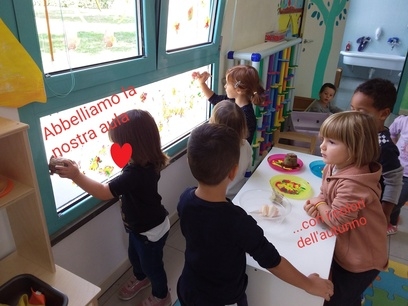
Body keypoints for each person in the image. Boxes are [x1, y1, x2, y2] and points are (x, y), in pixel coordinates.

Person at [177, 123, 334, 306]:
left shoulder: (184, 200)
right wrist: (308, 284)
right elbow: (272, 261)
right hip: (222, 299)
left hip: (188, 287)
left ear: (189, 162)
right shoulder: (238, 221)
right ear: (234, 171)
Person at [54, 109, 172, 306]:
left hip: (150, 232)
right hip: (141, 228)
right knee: (135, 257)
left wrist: (76, 175)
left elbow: (103, 192)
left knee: (153, 267)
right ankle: (141, 277)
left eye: (118, 144)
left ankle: (162, 295)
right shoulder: (148, 161)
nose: (115, 148)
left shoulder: (135, 174)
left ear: (133, 146)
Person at [303, 111, 388, 306]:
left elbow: (336, 219)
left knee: (337, 299)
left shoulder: (354, 185)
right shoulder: (333, 166)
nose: (322, 145)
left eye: (332, 142)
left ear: (356, 149)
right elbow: (325, 192)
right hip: (345, 244)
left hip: (361, 259)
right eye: (323, 139)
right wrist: (319, 205)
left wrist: (320, 204)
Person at [350, 78, 403, 225]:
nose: (353, 116)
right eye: (351, 109)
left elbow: (394, 182)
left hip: (368, 208)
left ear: (383, 114)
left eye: (361, 112)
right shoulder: (359, 132)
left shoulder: (384, 147)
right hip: (350, 195)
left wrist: (385, 213)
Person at [195, 65, 265, 144]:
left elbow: (242, 145)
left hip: (233, 153)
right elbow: (213, 98)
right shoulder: (230, 101)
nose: (225, 86)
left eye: (227, 84)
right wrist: (202, 83)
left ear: (238, 90)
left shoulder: (247, 117)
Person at [209, 100, 252, 199]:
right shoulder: (246, 146)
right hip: (239, 195)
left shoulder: (212, 151)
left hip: (217, 199)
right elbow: (247, 174)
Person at [388, 114, 408, 234]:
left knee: (397, 201)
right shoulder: (404, 121)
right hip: (396, 168)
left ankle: (387, 219)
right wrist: (394, 146)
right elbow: (392, 132)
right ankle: (392, 221)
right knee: (393, 197)